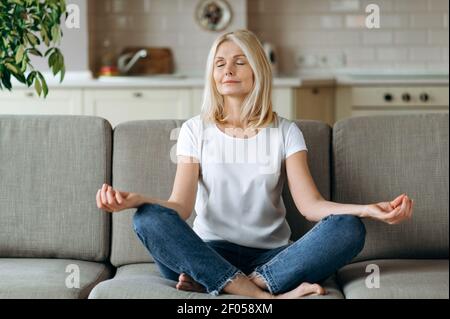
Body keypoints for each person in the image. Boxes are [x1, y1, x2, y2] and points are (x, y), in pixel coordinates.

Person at [96, 29, 413, 299]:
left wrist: (366, 210)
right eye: (220, 64)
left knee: (348, 228)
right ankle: (262, 293)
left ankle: (235, 285)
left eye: (239, 61)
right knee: (148, 219)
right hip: (206, 251)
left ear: (257, 70)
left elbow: (311, 206)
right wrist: (137, 201)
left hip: (272, 257)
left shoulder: (286, 132)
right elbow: (179, 207)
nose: (227, 70)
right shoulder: (195, 130)